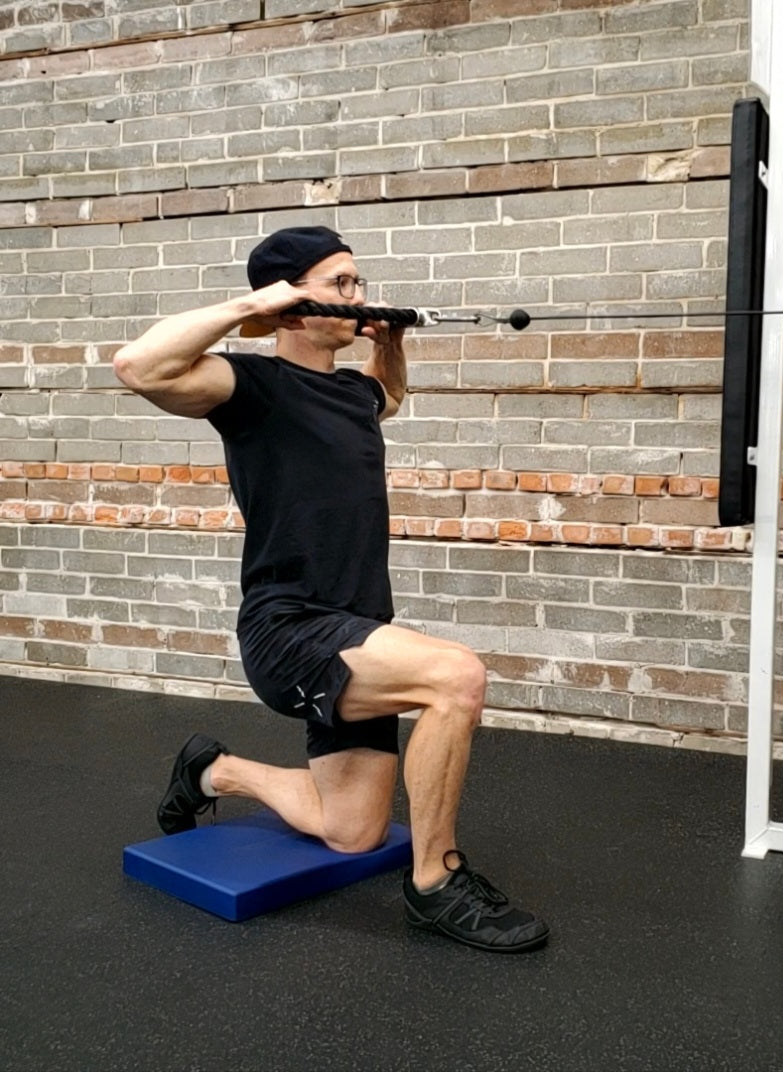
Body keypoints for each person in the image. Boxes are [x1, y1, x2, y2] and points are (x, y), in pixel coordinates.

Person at [113, 225, 549, 954]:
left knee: (352, 832)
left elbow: (388, 397)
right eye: (340, 285)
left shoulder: (352, 392)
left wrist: (389, 342)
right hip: (291, 629)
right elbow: (138, 364)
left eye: (359, 284)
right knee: (455, 678)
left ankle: (214, 770)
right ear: (293, 302)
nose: (357, 296)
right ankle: (437, 885)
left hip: (352, 624)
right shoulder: (249, 387)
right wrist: (257, 302)